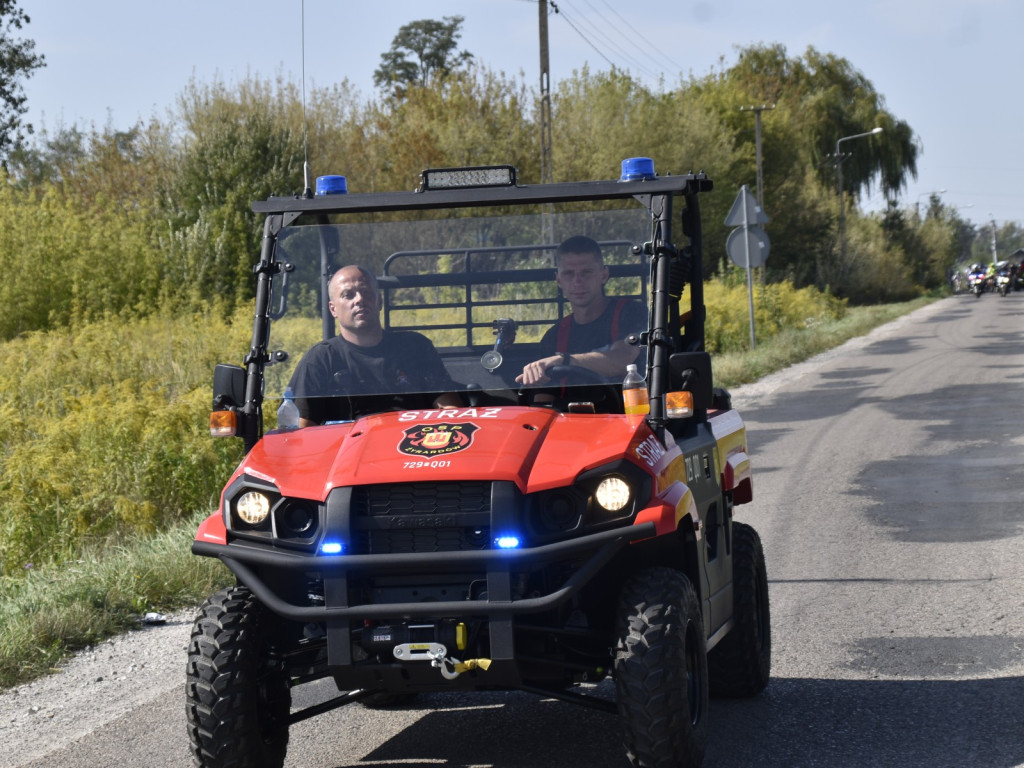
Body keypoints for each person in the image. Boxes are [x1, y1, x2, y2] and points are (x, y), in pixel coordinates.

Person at [288, 265, 460, 426]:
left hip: (415, 450)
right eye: (348, 295)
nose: (360, 299)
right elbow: (302, 432)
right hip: (349, 454)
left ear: (379, 302)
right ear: (333, 309)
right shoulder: (320, 359)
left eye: (366, 292)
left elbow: (451, 412)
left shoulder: (416, 347)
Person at [516, 235, 646, 387]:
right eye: (569, 274)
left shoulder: (631, 312)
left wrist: (564, 360)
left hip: (626, 409)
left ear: (604, 275)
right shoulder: (554, 337)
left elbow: (622, 359)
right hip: (570, 410)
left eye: (586, 272)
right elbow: (545, 396)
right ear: (558, 280)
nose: (577, 282)